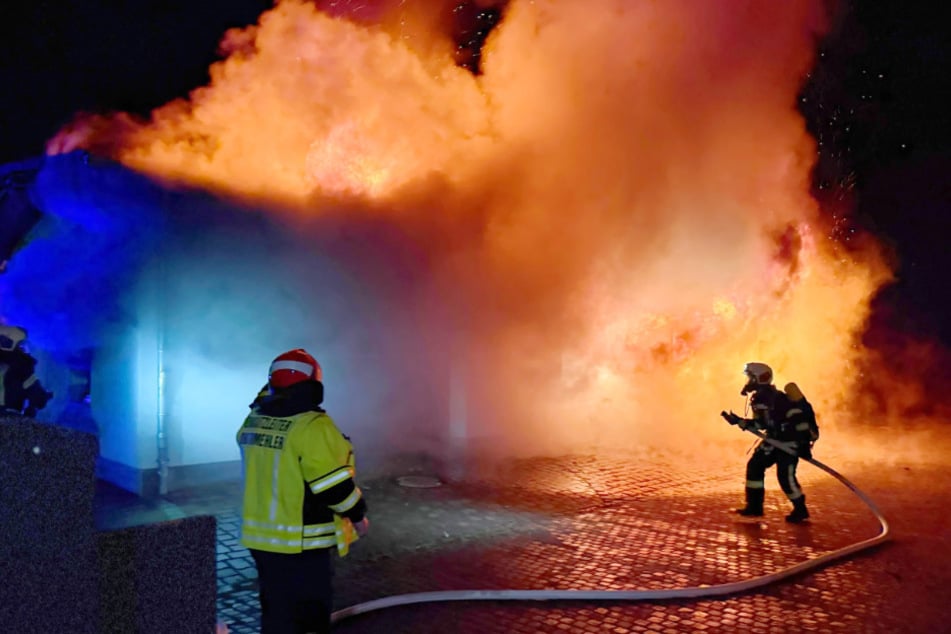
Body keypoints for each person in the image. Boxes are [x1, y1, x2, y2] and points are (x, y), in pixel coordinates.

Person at [237, 348, 369, 634]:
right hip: (302, 543)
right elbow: (334, 489)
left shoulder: (255, 420)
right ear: (313, 384)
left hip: (262, 541)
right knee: (310, 617)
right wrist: (359, 516)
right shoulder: (312, 427)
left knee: (275, 613)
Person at [721, 362, 812, 523]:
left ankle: (800, 509)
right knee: (755, 466)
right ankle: (754, 507)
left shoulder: (778, 399)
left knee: (785, 476)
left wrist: (803, 444)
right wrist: (739, 421)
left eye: (751, 378)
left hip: (789, 443)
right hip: (773, 440)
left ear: (760, 378)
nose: (748, 381)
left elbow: (797, 419)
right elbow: (761, 424)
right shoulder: (758, 399)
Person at [0, 325, 53, 417]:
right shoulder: (23, 368)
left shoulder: (22, 367)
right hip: (8, 419)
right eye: (21, 344)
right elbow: (38, 397)